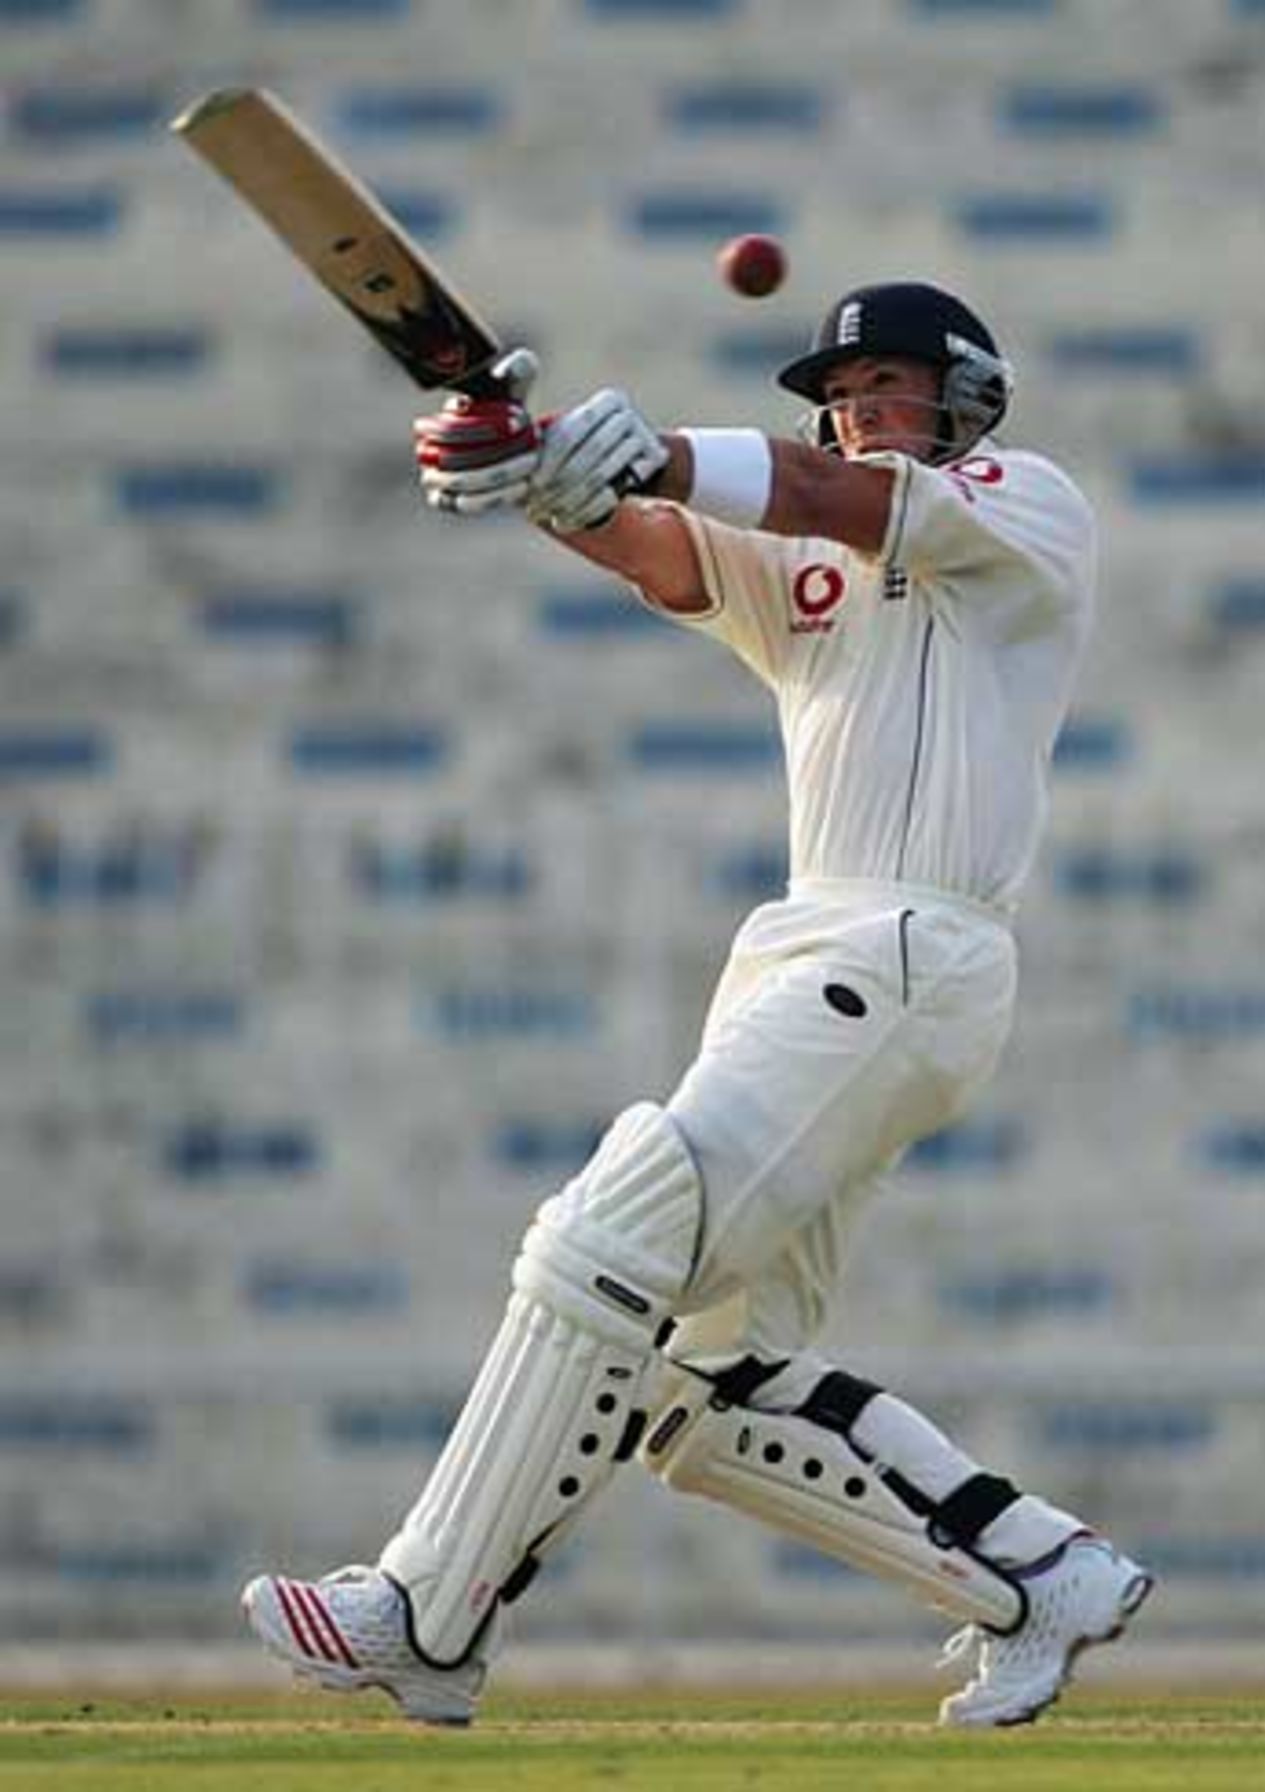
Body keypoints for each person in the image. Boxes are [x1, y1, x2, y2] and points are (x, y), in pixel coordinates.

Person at [241, 281, 1152, 1729]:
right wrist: (534, 467)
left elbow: (789, 485)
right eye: (844, 389)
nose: (863, 410)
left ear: (967, 395)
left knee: (616, 1224)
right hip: (816, 954)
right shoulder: (807, 565)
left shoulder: (1021, 512)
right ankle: (1037, 1576)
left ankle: (425, 1609)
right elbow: (665, 549)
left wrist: (656, 447)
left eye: (894, 384)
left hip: (914, 945)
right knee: (707, 1384)